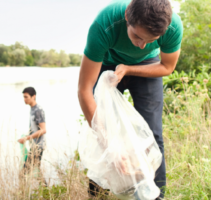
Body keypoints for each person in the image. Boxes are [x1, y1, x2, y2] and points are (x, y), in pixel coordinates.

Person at [78, 0, 183, 198]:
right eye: (137, 36)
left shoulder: (172, 26)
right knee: (101, 131)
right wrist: (111, 147)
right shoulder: (105, 24)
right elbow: (84, 89)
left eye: (151, 40)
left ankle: (154, 196)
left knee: (153, 134)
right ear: (127, 16)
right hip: (106, 63)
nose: (142, 44)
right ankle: (97, 195)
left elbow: (167, 67)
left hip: (147, 64)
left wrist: (128, 69)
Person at [18, 87, 46, 178]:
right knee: (37, 172)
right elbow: (35, 129)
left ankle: (23, 191)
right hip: (34, 145)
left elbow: (43, 130)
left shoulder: (38, 110)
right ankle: (45, 190)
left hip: (38, 146)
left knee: (23, 173)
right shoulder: (32, 108)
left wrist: (27, 138)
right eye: (23, 97)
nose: (24, 99)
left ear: (33, 96)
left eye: (26, 97)